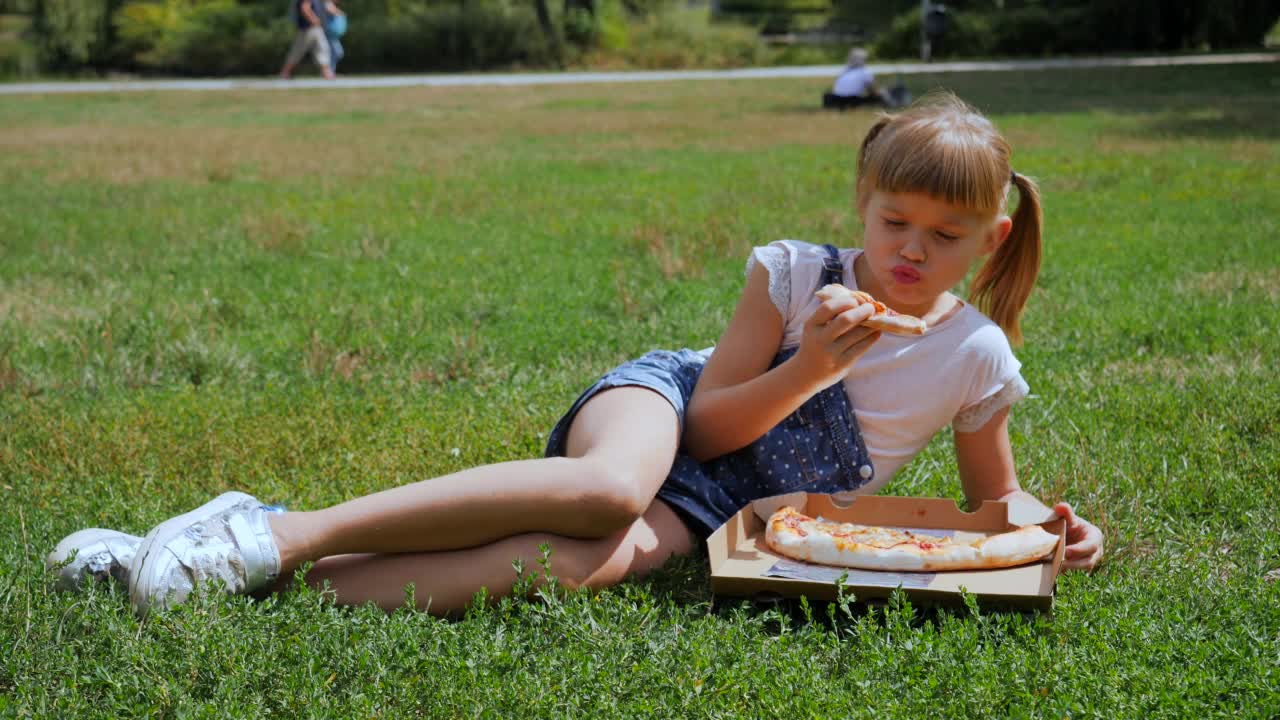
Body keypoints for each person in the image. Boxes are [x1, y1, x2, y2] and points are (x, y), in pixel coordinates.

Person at [47, 93, 1104, 616]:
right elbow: (706, 422)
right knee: (604, 493)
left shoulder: (974, 359)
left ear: (990, 238)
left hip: (725, 507)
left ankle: (228, 576)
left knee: (607, 557)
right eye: (893, 223)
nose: (911, 252)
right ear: (860, 210)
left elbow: (987, 506)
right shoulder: (792, 276)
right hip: (667, 408)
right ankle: (269, 531)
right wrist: (814, 365)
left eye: (944, 235)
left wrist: (1046, 530)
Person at [823, 47, 909, 110]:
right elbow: (872, 91)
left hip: (835, 99)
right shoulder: (865, 72)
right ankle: (895, 107)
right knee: (882, 95)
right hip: (852, 101)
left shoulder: (844, 70)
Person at [279, 0, 335, 81]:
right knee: (297, 51)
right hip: (307, 29)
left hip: (315, 28)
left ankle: (326, 73)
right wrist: (314, 19)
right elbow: (305, 8)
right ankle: (285, 72)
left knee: (322, 48)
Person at [321, 0, 346, 75]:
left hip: (332, 34)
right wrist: (339, 13)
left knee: (335, 52)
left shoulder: (329, 4)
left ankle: (330, 71)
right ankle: (328, 72)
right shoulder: (327, 3)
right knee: (336, 52)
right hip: (329, 32)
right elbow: (329, 10)